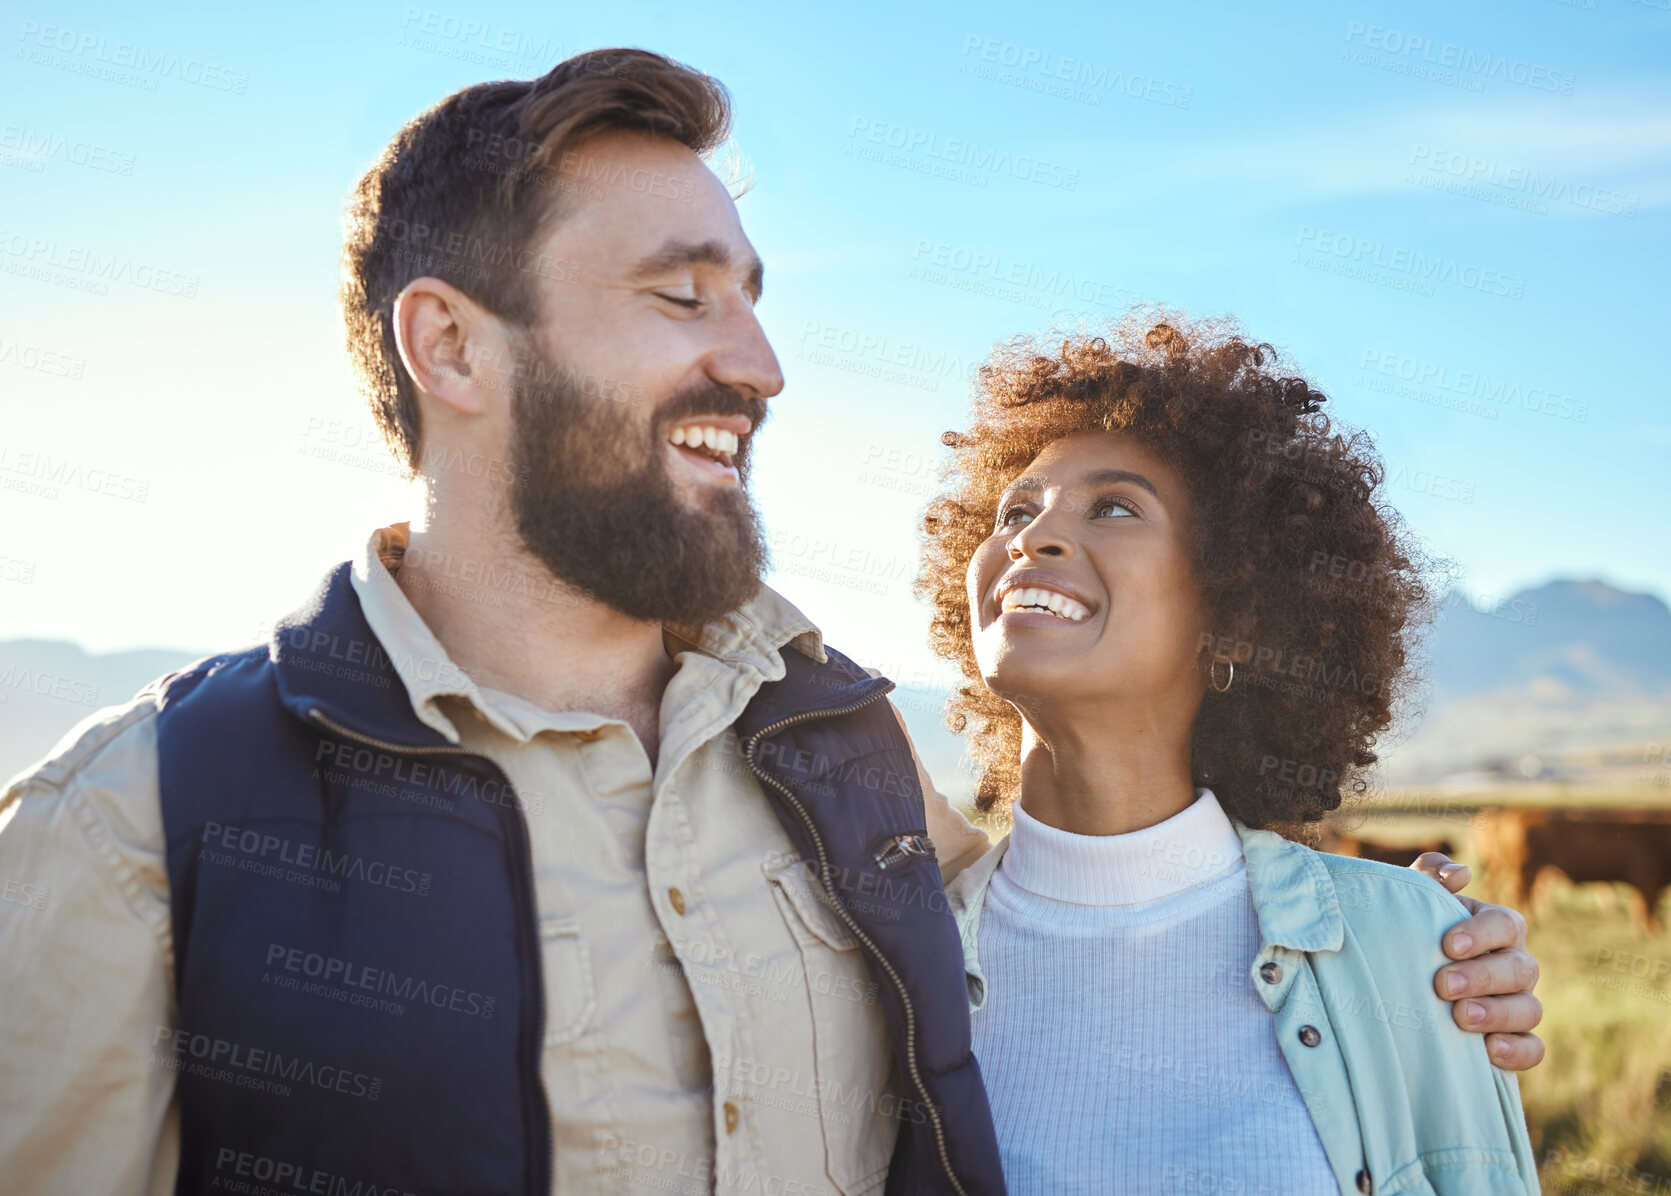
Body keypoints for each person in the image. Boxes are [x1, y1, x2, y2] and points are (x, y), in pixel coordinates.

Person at [0, 51, 1541, 1196]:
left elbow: (1124, 893)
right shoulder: (134, 824)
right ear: (450, 345)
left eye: (750, 293)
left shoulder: (839, 756)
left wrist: (1417, 937)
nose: (761, 363)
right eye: (682, 298)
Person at [920, 314, 1542, 1193]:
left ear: (1238, 620)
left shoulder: (1412, 948)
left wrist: (1408, 922)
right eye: (1014, 510)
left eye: (1113, 506)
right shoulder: (900, 956)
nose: (1030, 535)